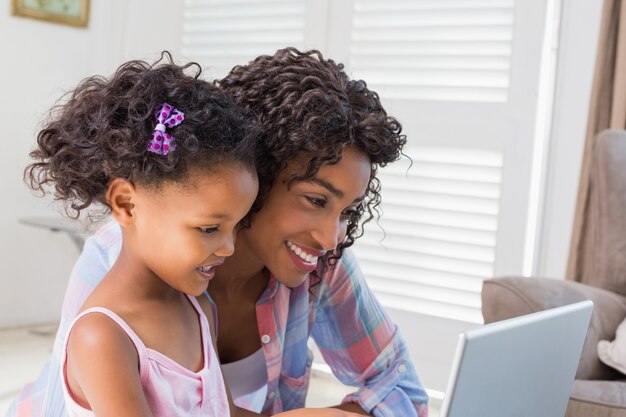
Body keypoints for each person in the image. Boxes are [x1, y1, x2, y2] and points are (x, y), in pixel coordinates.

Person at [9, 48, 429, 417]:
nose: (331, 238)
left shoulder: (205, 310)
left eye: (347, 211)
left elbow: (402, 385)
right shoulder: (109, 293)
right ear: (257, 176)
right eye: (316, 200)